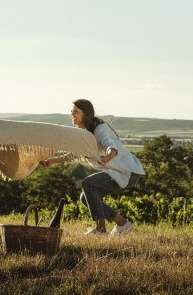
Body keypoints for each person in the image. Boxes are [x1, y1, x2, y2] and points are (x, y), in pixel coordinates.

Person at [40, 99, 145, 236]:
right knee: (85, 198)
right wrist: (52, 161)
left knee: (88, 184)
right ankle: (123, 224)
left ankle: (101, 230)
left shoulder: (99, 128)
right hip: (115, 172)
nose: (72, 114)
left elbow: (111, 145)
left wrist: (108, 156)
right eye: (71, 111)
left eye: (76, 111)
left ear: (86, 114)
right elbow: (75, 153)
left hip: (127, 171)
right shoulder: (84, 133)